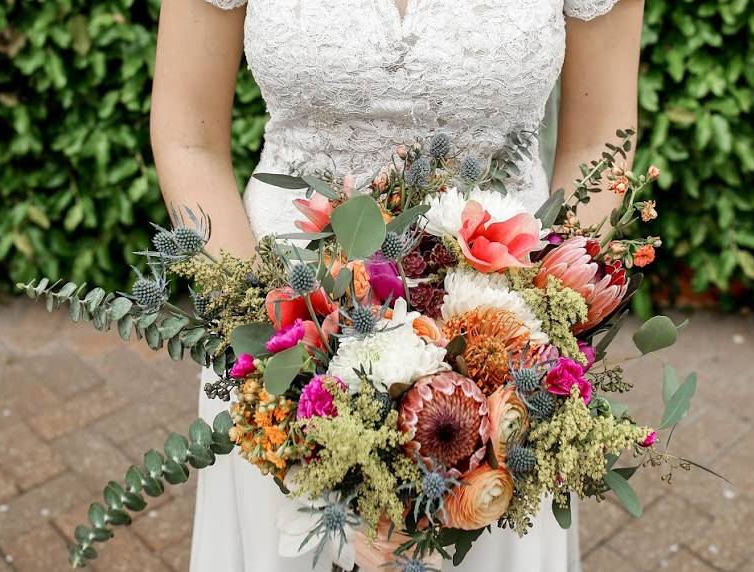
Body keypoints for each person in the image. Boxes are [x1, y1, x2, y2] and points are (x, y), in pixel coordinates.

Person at [150, 1, 644, 570]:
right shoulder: (273, 344)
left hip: (503, 348)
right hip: (282, 332)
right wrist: (264, 343)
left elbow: (600, 143)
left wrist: (539, 326)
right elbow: (188, 137)